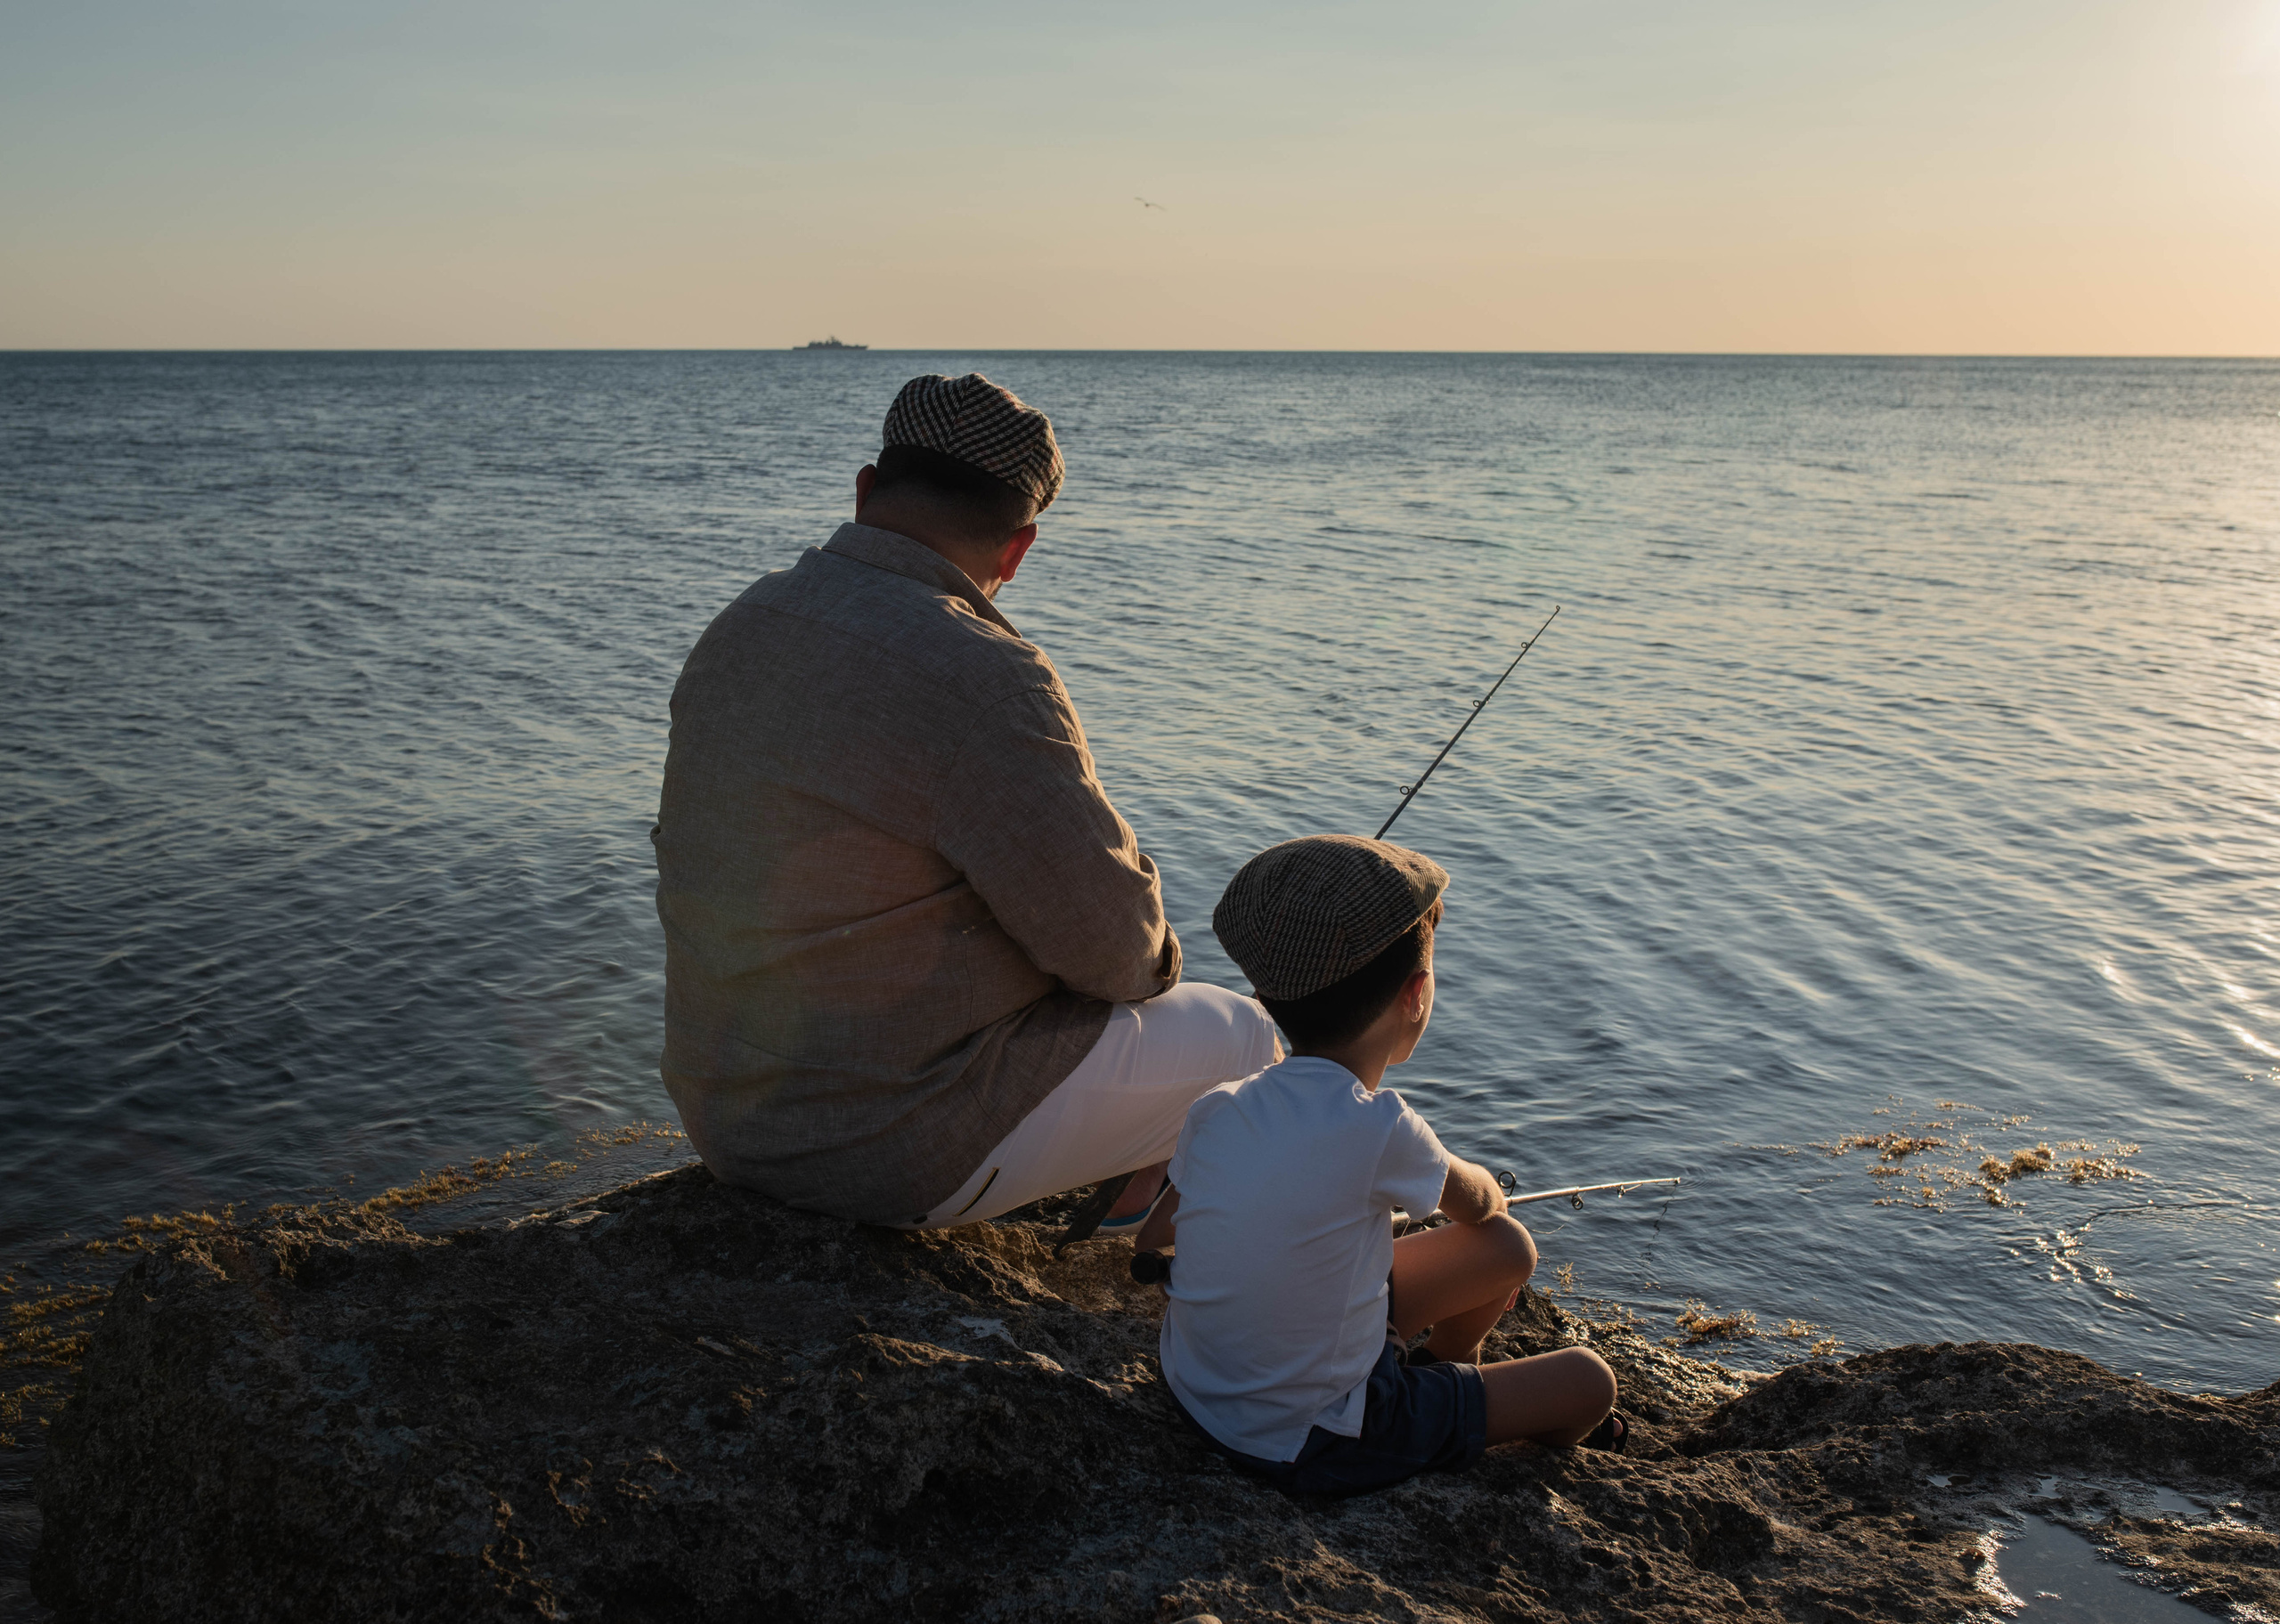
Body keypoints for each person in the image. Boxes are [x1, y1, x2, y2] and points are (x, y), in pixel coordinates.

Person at [653, 372, 1277, 1230]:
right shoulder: (983, 674)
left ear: (868, 488)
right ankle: (1188, 1267)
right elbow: (1112, 952)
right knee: (1247, 1039)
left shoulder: (742, 624)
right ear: (1020, 546)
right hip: (880, 1151)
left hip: (723, 1114)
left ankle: (1130, 1201)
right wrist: (1161, 960)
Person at [1134, 833, 1623, 1497]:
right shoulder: (1383, 1124)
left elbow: (1156, 1236)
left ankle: (1444, 1365)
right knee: (1590, 1380)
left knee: (1507, 1252)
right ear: (1416, 995)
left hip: (1194, 1390)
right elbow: (1479, 1203)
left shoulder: (1218, 1108)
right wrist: (1482, 1190)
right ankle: (1455, 1400)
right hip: (1319, 1440)